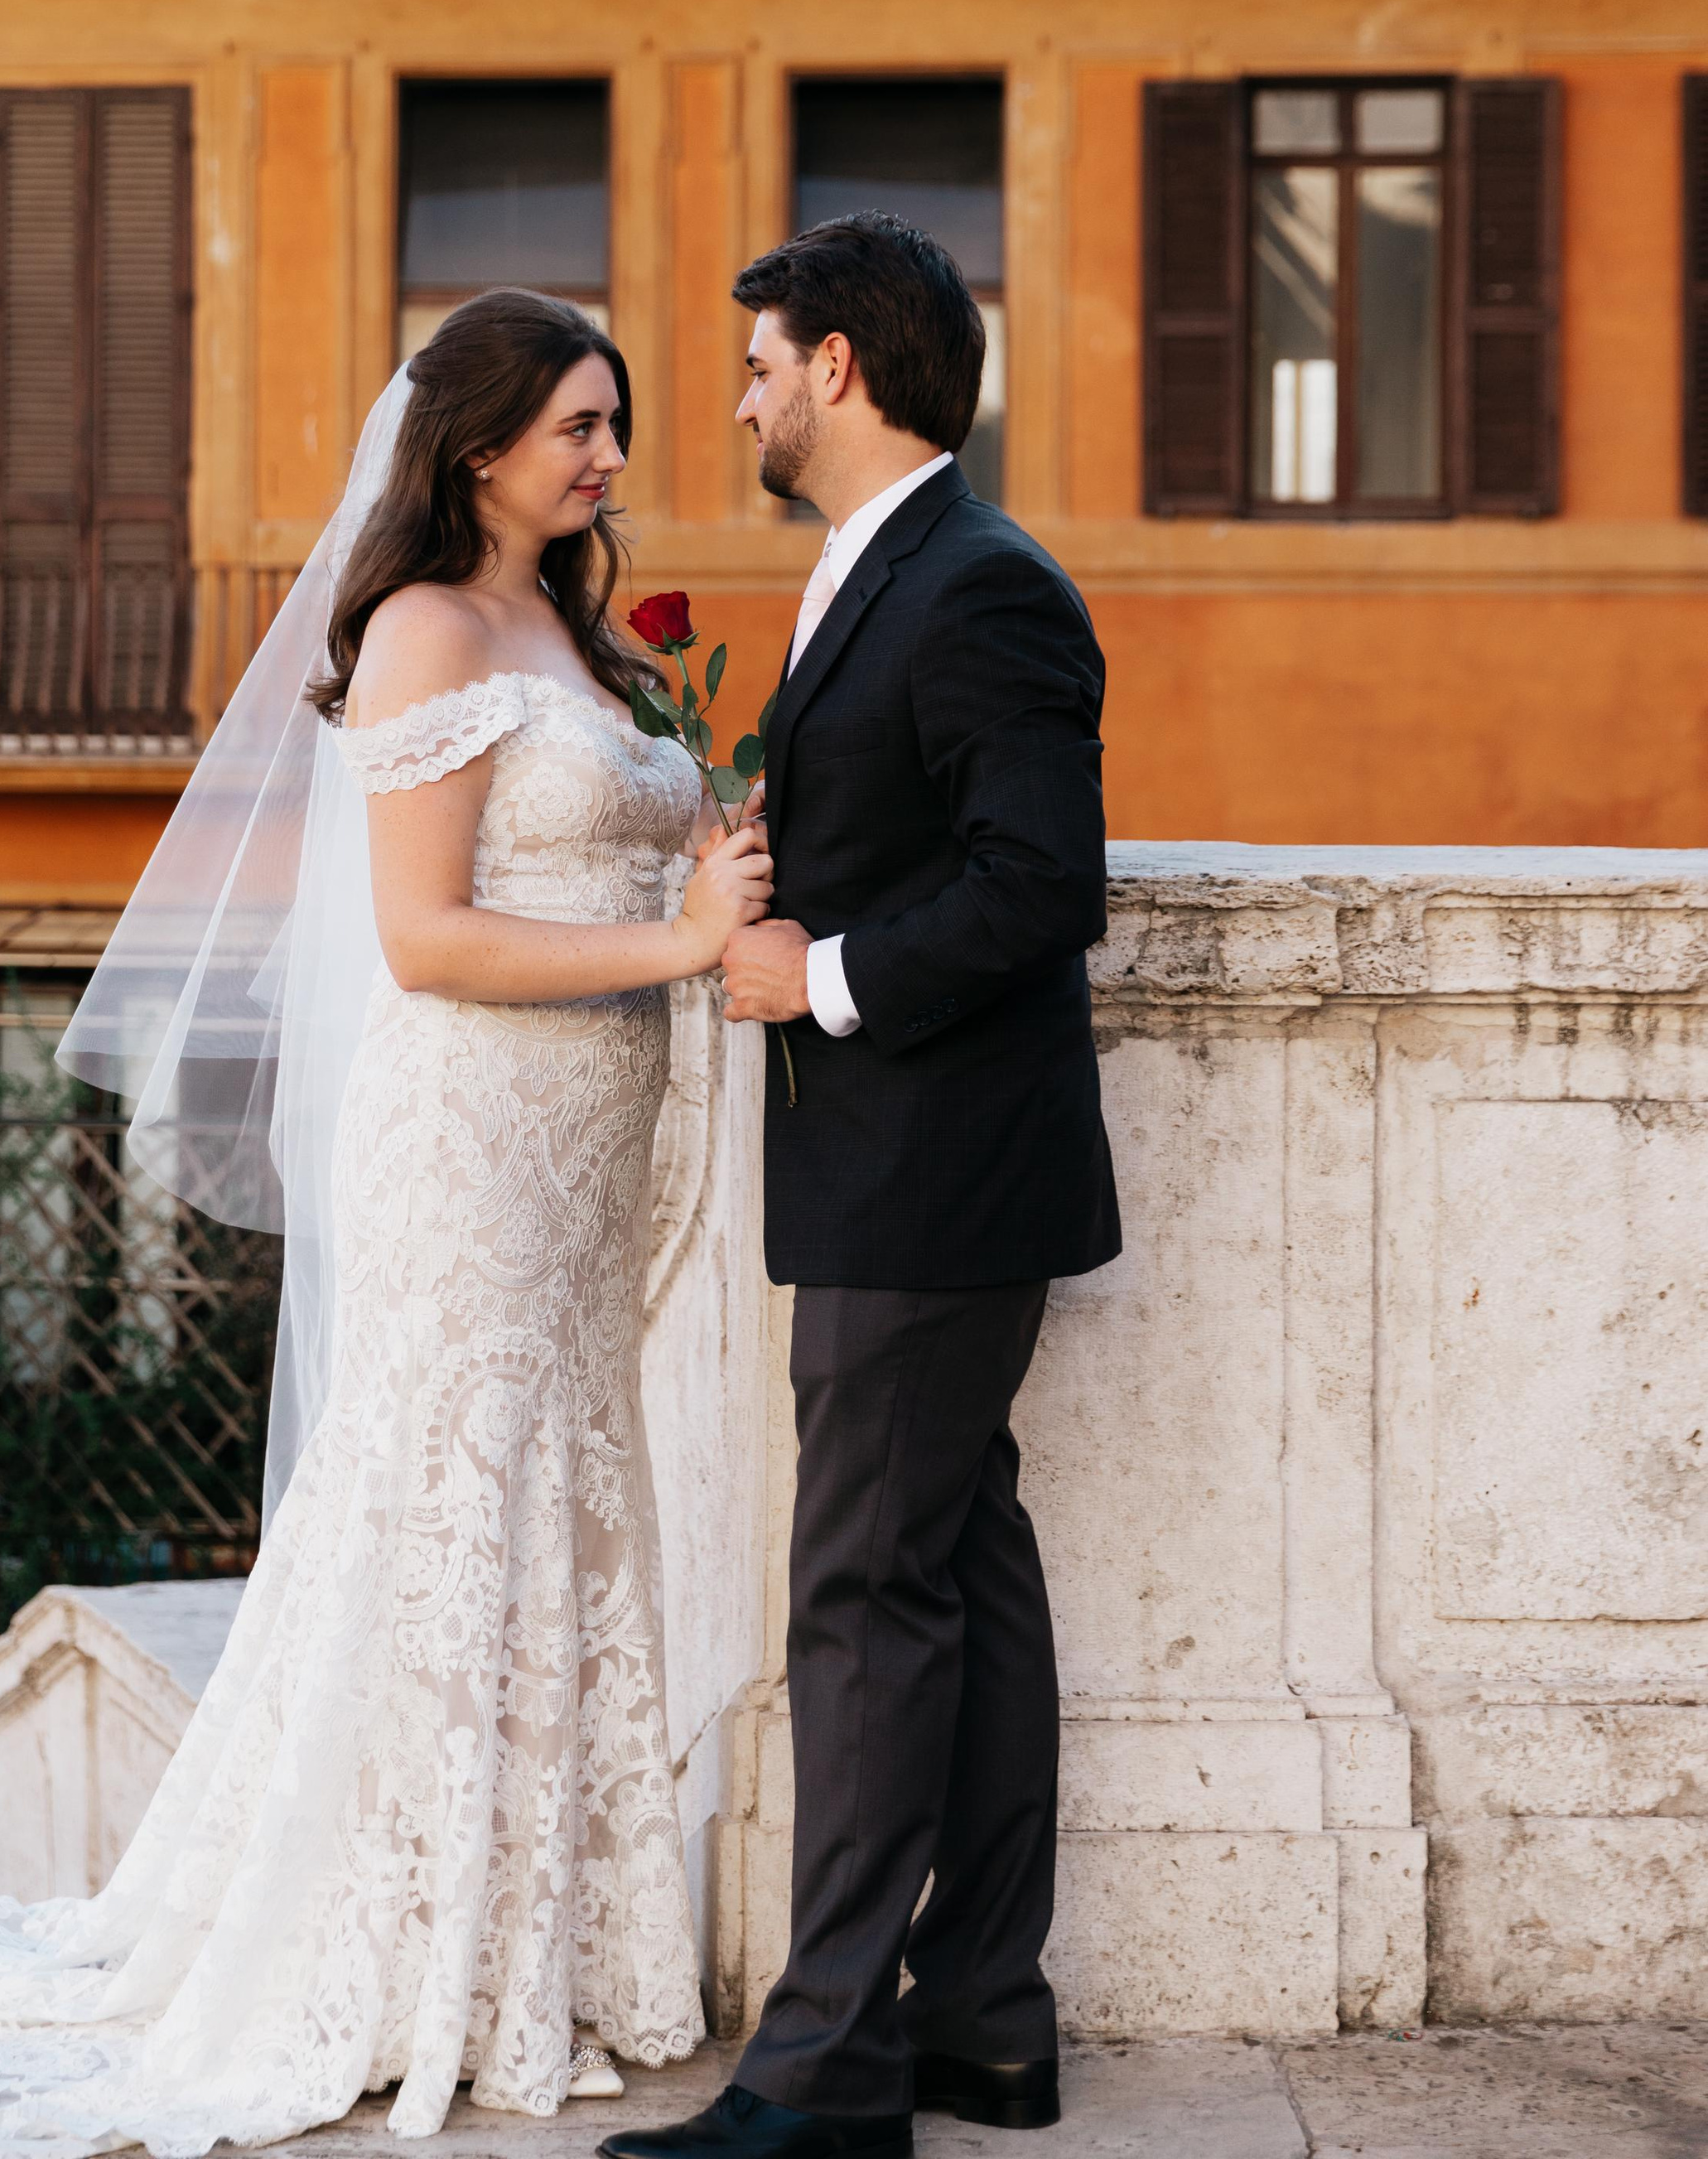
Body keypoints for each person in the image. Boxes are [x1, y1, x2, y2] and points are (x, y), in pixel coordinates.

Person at [0, 289, 771, 2157]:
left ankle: (529, 1943)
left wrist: (714, 849)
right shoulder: (419, 626)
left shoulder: (567, 633)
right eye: (577, 425)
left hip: (578, 1152)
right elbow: (423, 941)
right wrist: (675, 935)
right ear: (476, 446)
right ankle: (406, 1951)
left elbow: (583, 848)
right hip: (470, 1137)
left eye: (614, 425)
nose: (608, 456)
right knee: (442, 1508)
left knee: (554, 1495)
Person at [601, 215, 1117, 2159]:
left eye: (756, 364)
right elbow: (928, 825)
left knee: (861, 1597)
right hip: (917, 1178)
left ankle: (821, 2077)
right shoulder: (882, 573)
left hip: (931, 1180)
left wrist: (801, 973)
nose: (735, 396)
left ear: (839, 368)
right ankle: (982, 2020)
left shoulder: (982, 586)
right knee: (955, 1571)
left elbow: (1036, 883)